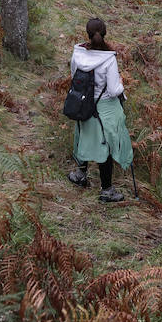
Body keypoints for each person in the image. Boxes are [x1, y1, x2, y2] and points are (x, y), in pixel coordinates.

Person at [67, 17, 133, 203]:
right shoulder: (108, 60)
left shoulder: (78, 54)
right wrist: (121, 84)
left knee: (84, 135)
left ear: (87, 34)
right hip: (104, 108)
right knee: (107, 144)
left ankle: (80, 175)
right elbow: (113, 90)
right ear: (104, 33)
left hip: (83, 104)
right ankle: (107, 190)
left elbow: (74, 78)